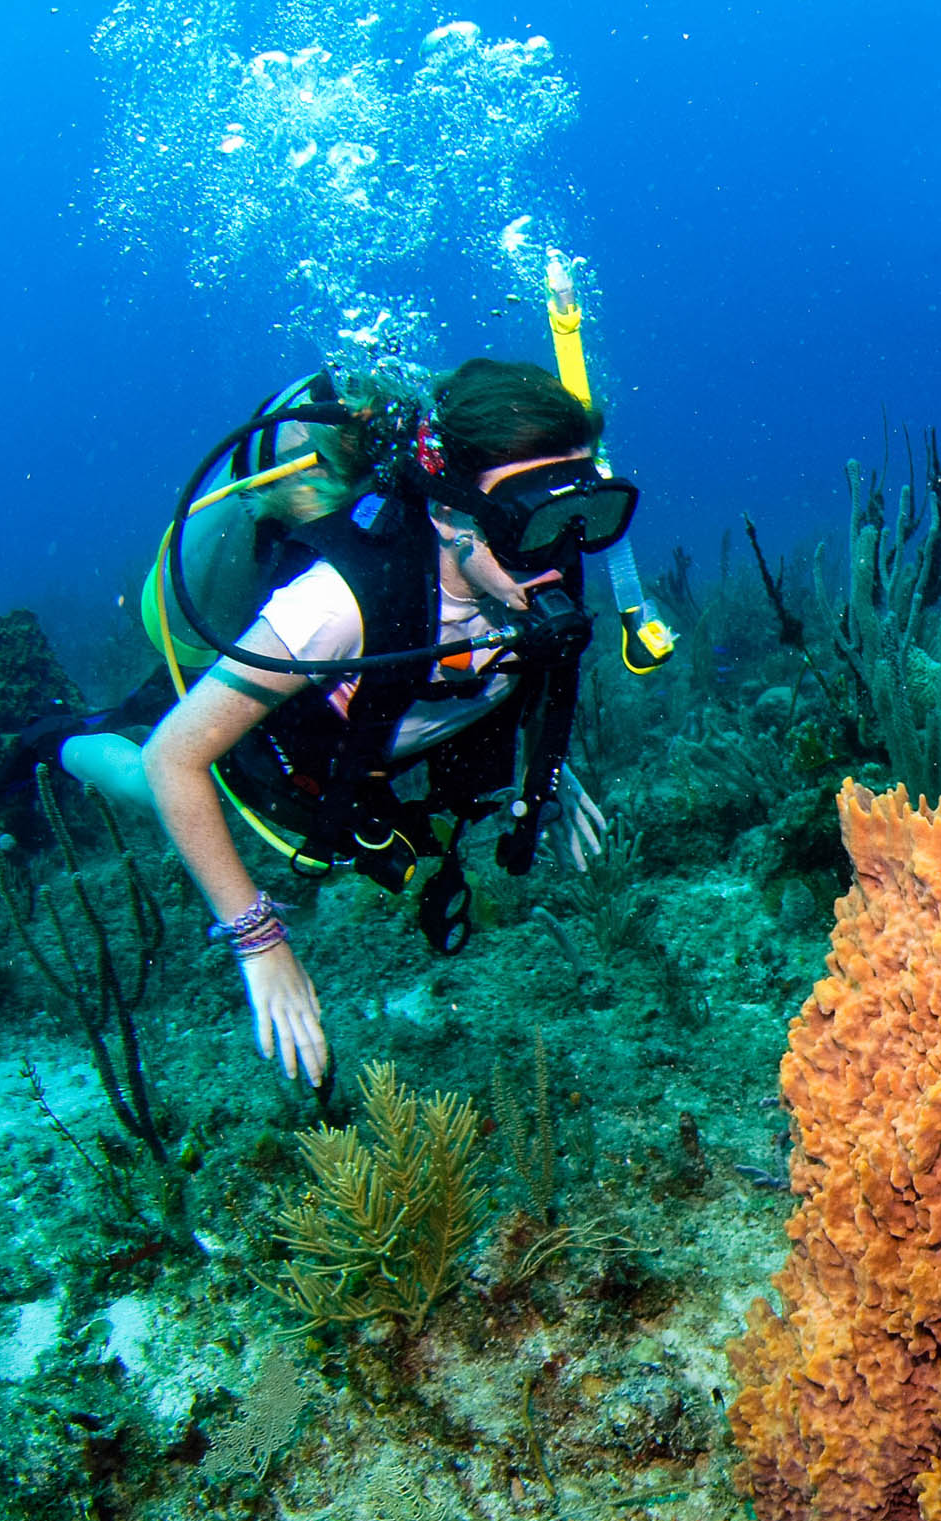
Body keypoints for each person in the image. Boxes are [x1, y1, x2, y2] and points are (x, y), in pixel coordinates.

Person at [55, 358, 625, 1089]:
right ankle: (63, 741)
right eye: (527, 513)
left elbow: (508, 673)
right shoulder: (332, 605)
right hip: (291, 766)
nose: (558, 547)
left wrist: (545, 766)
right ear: (449, 510)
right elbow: (176, 761)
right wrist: (259, 942)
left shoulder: (535, 559)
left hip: (390, 745)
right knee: (141, 773)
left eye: (580, 511)